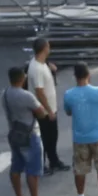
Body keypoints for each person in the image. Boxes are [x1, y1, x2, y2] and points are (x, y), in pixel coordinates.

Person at [62, 61, 98, 196]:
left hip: (80, 138)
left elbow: (68, 112)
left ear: (75, 76)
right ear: (89, 75)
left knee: (80, 169)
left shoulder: (69, 94)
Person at [2, 63, 50, 196]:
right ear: (22, 78)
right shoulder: (26, 96)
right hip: (30, 135)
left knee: (16, 167)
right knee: (33, 170)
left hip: (14, 133)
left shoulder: (5, 94)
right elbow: (41, 112)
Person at [28, 37, 64, 173]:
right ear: (44, 49)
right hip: (43, 110)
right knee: (45, 137)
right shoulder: (36, 68)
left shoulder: (42, 63)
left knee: (52, 136)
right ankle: (42, 164)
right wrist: (49, 110)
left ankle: (53, 160)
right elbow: (39, 91)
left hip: (49, 108)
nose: (50, 48)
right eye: (48, 46)